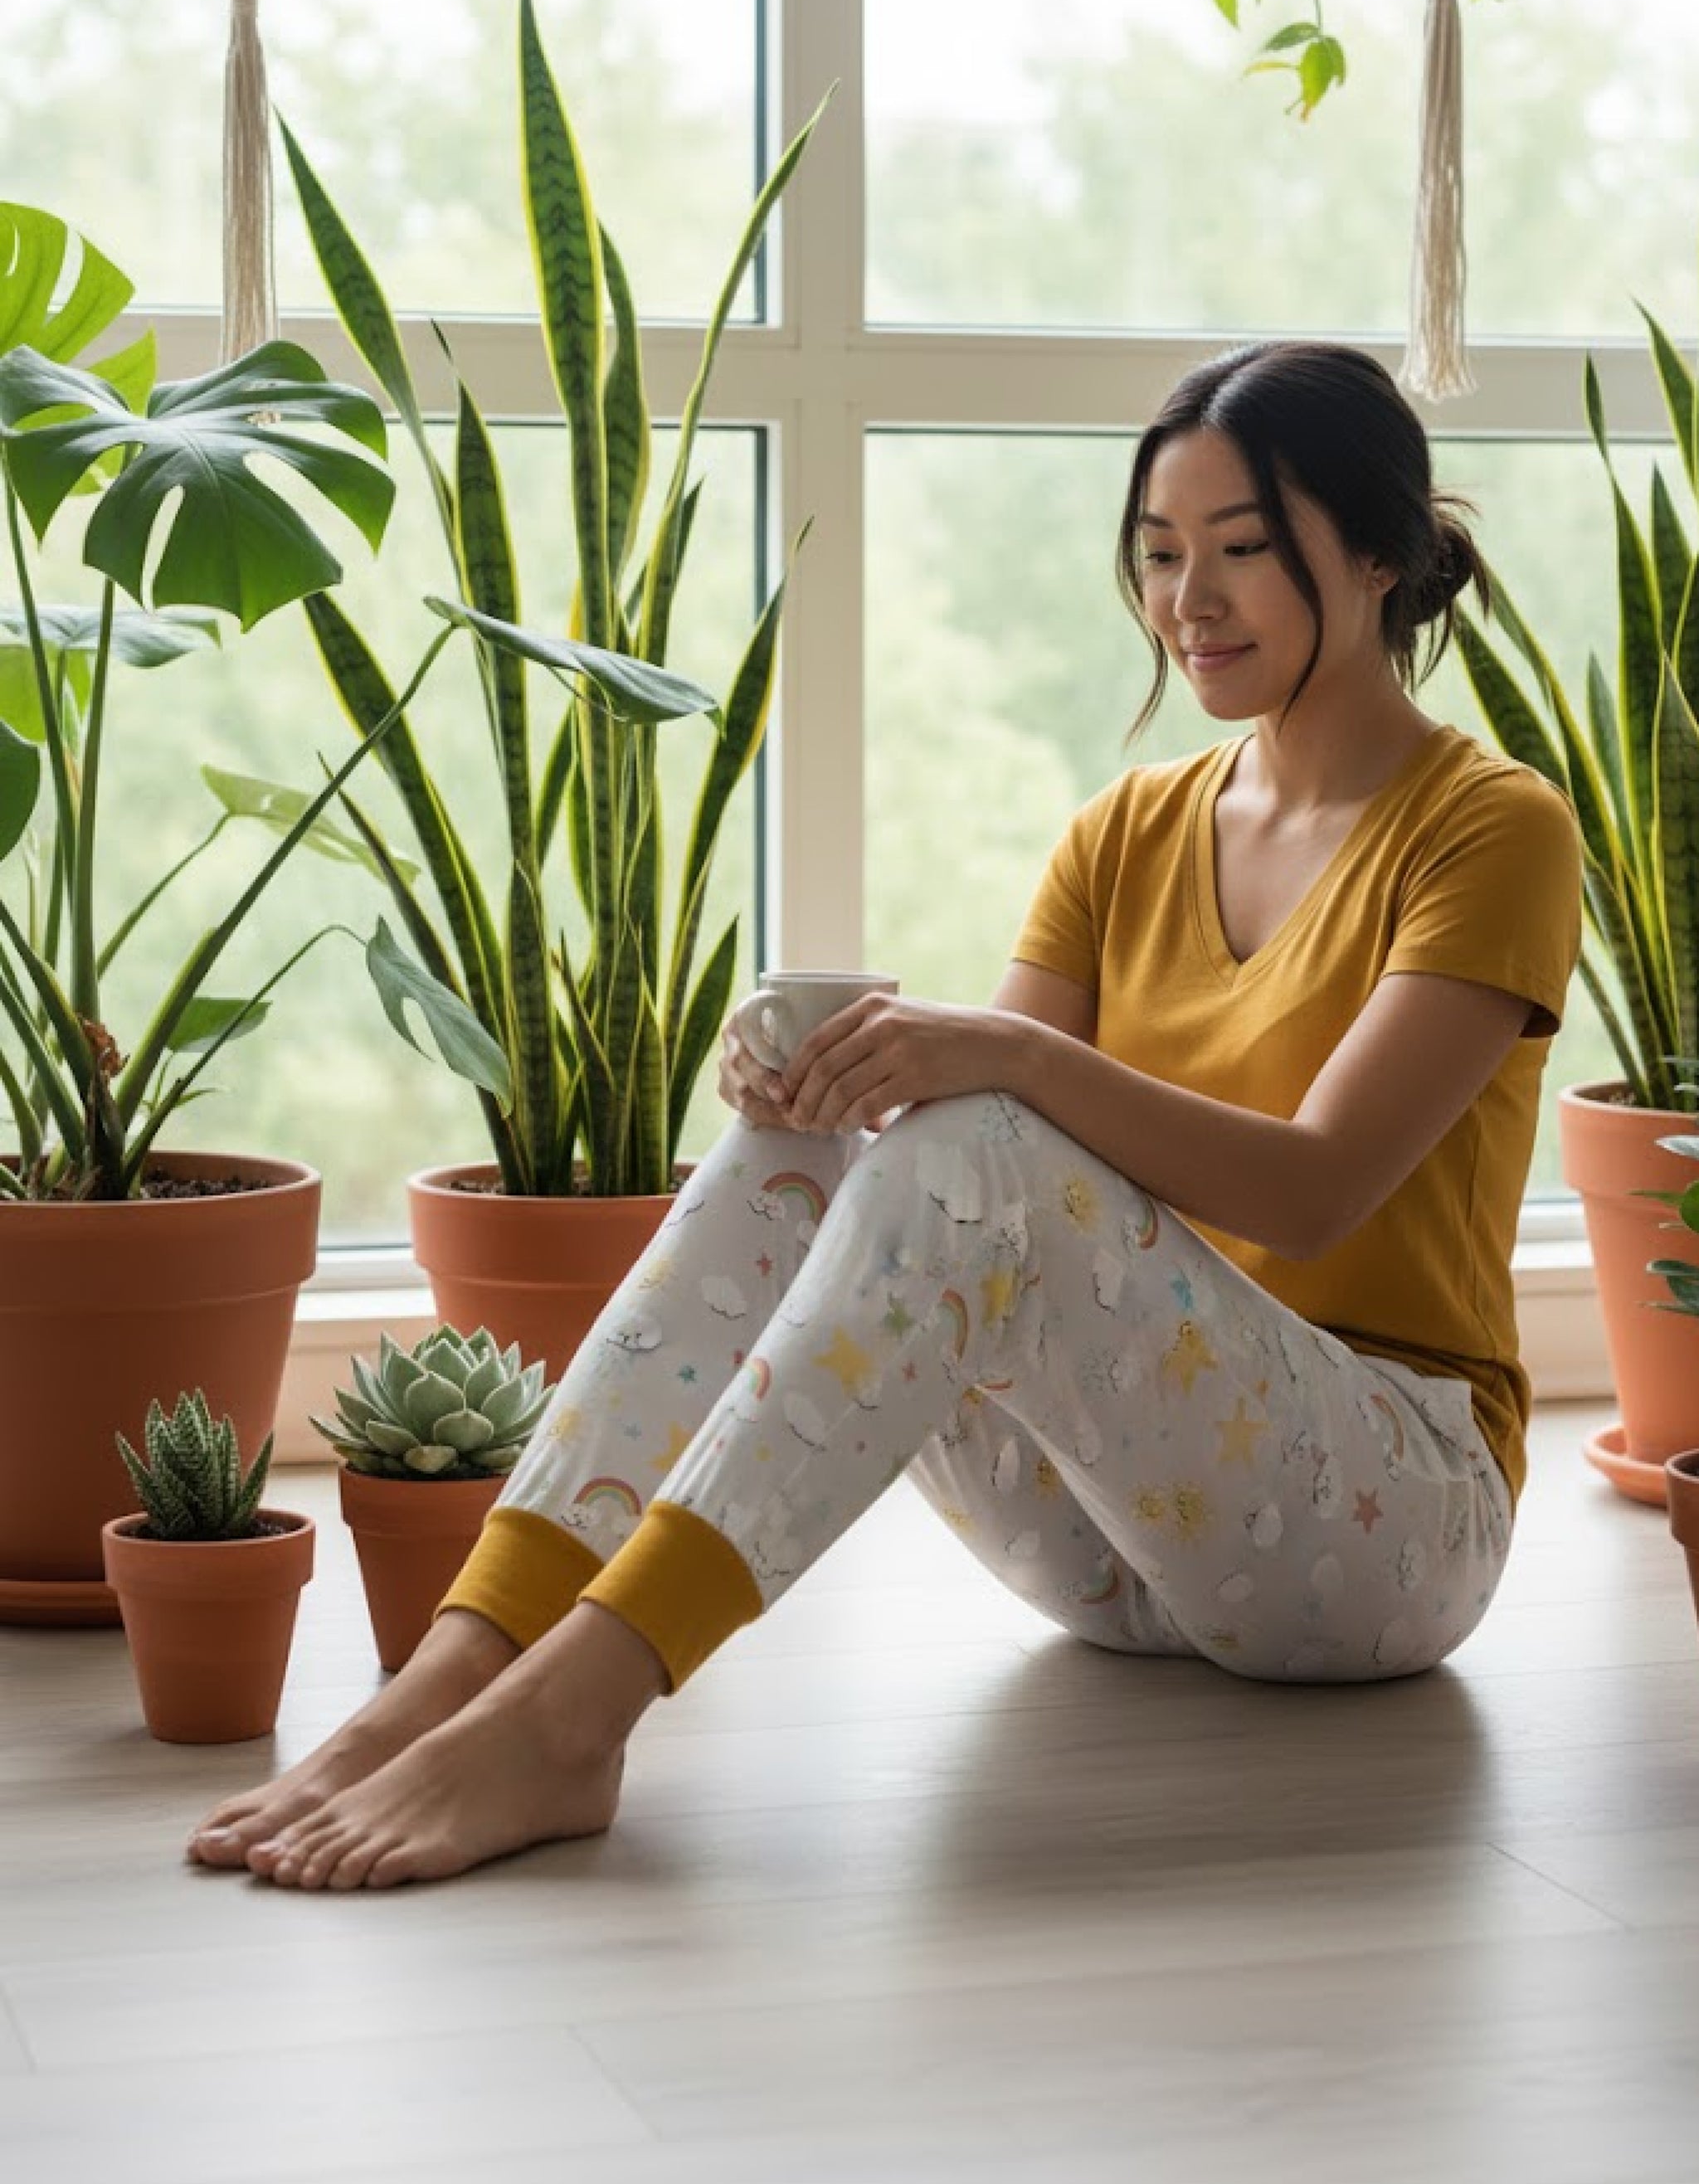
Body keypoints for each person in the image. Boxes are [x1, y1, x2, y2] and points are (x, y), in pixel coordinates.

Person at [187, 340, 1583, 1892]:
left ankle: (574, 1713)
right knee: (824, 1108)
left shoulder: (1492, 827)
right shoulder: (1125, 830)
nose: (1189, 597)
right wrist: (813, 1079)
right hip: (1125, 1548)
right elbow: (987, 1155)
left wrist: (995, 1057)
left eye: (1244, 551)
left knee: (978, 1126)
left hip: (1384, 1533)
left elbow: (1312, 1189)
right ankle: (463, 1670)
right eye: (1159, 553)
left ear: (1379, 555)